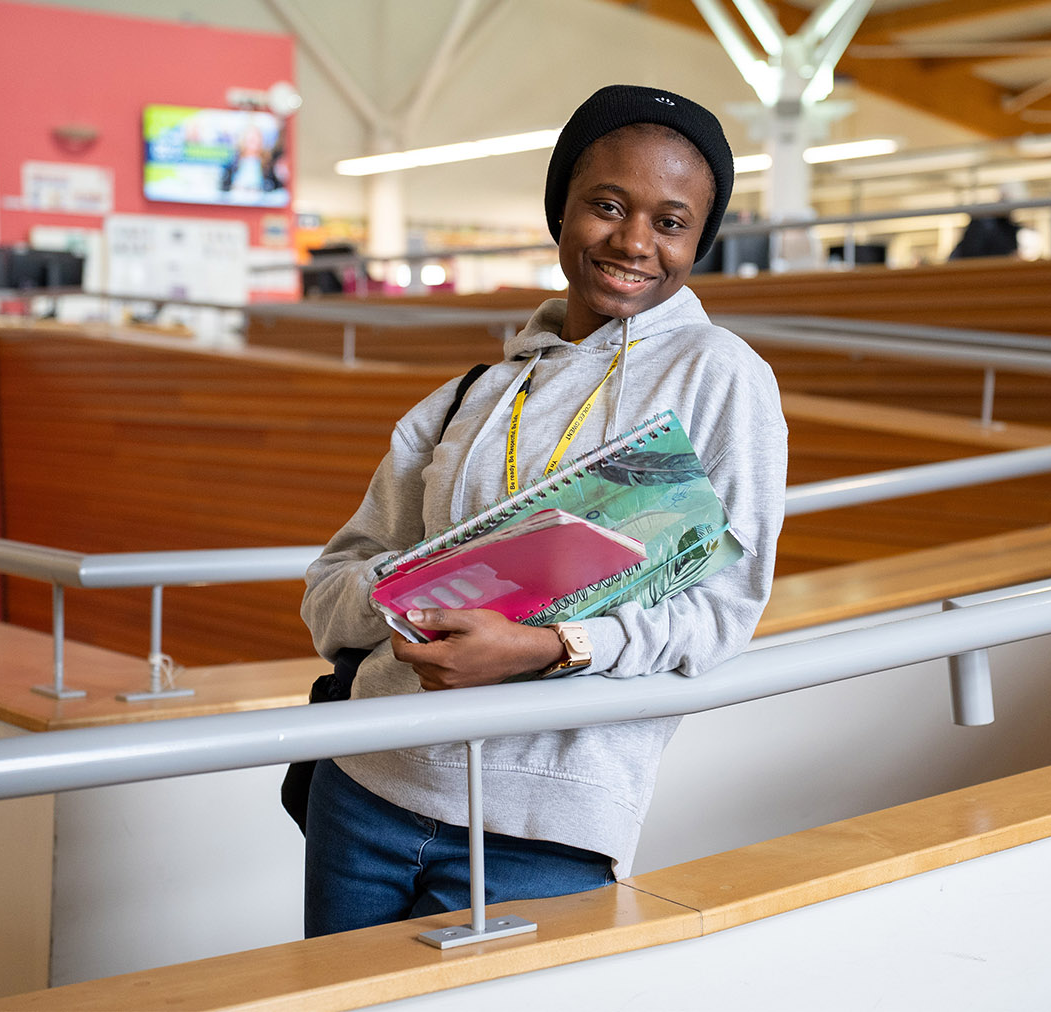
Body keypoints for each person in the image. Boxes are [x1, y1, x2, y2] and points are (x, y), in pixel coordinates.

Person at [299, 84, 788, 937]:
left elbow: (719, 615)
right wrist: (410, 596)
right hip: (366, 787)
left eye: (669, 223)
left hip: (545, 826)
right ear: (560, 210)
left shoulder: (721, 377)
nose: (634, 242)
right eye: (606, 205)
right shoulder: (471, 397)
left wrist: (552, 647)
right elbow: (330, 587)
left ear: (697, 242)